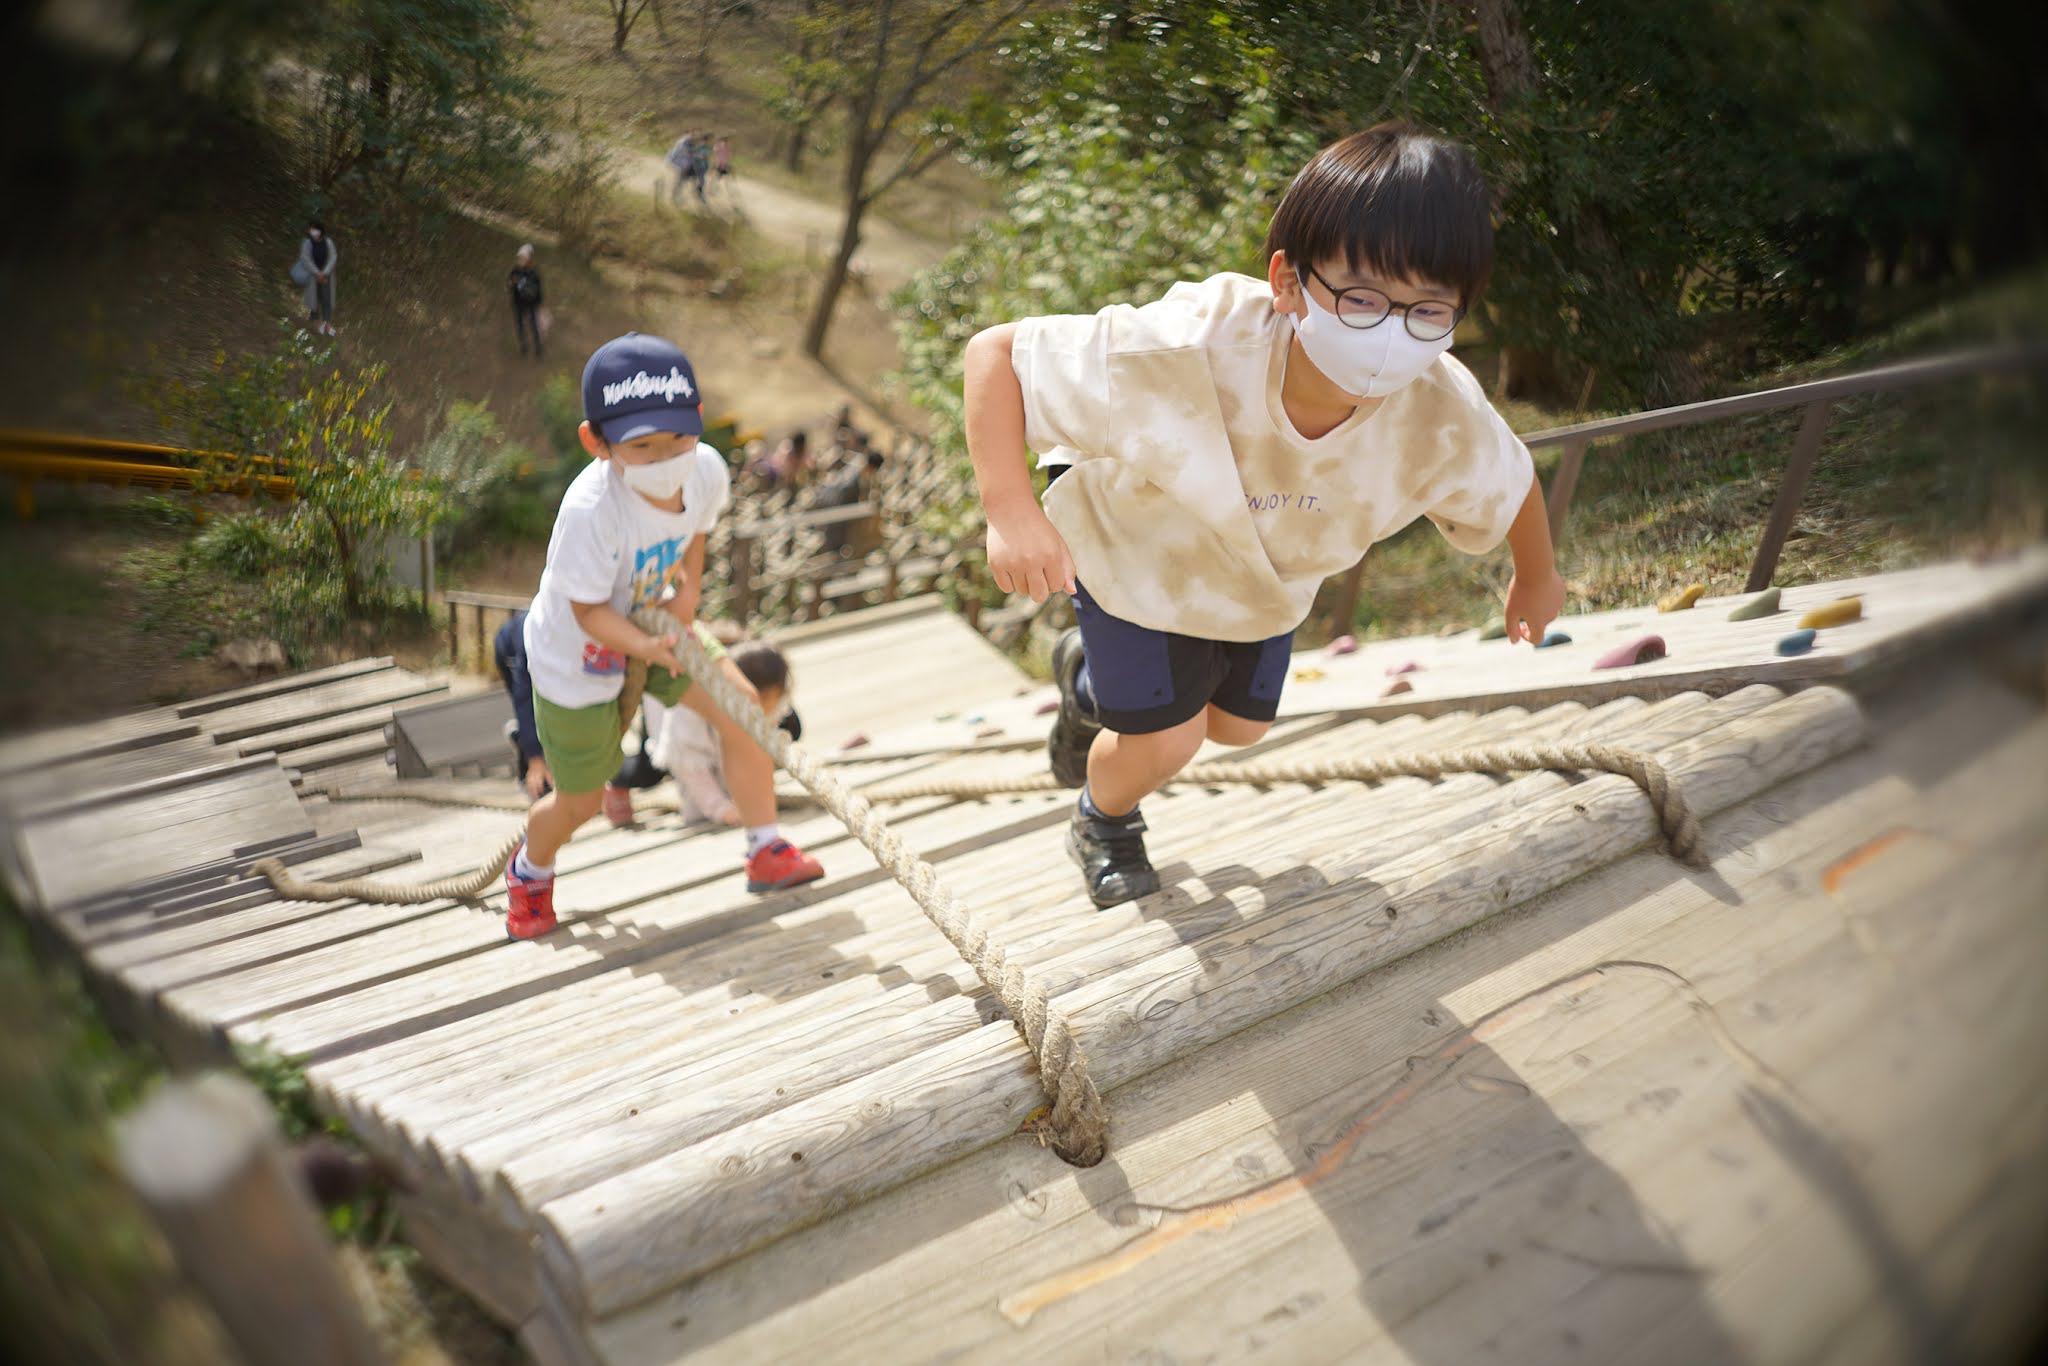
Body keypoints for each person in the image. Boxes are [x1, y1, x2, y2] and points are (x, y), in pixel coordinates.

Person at [963, 122, 1567, 909]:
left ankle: (1088, 682)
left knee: (1236, 730)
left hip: (1262, 577)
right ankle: (1103, 821)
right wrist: (1010, 510)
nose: (1390, 334)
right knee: (1165, 741)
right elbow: (998, 356)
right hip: (1137, 556)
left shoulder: (1438, 406)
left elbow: (1509, 475)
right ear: (1286, 281)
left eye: (1428, 311)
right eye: (1361, 299)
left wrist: (1536, 574)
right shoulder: (1190, 344)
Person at [504, 332, 826, 938]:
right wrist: (646, 646)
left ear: (698, 421)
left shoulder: (704, 471)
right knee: (582, 801)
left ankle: (764, 845)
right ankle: (530, 872)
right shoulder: (589, 510)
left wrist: (689, 597)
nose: (666, 456)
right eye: (643, 446)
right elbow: (588, 612)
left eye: (678, 438)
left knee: (744, 709)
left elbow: (694, 536)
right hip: (581, 656)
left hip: (660, 624)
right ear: (597, 443)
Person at [494, 609, 669, 815]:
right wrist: (535, 758)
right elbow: (523, 698)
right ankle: (527, 753)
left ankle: (538, 752)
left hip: (569, 656)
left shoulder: (590, 635)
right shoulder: (534, 644)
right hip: (511, 650)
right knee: (537, 712)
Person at [650, 641, 803, 825]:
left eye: (772, 700)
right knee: (691, 802)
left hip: (724, 746)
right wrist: (720, 809)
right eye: (761, 699)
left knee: (790, 727)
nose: (763, 707)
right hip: (672, 741)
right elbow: (689, 766)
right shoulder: (689, 712)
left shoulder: (771, 705)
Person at [297, 220, 337, 337]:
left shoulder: (328, 242)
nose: (313, 232)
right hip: (312, 274)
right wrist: (316, 273)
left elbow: (333, 257)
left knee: (326, 297)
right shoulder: (307, 243)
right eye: (311, 229)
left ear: (321, 231)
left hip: (326, 275)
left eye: (316, 229)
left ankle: (326, 322)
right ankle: (313, 319)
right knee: (313, 297)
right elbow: (305, 258)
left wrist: (324, 273)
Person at [509, 244, 544, 358]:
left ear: (529, 259)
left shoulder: (534, 273)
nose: (521, 260)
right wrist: (512, 284)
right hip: (518, 304)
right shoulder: (515, 271)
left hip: (531, 305)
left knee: (533, 325)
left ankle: (538, 347)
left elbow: (537, 291)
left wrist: (537, 302)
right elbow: (510, 285)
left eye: (524, 258)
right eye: (520, 257)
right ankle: (523, 345)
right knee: (520, 326)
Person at [667, 131, 696, 205]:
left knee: (682, 181)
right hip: (680, 163)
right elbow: (686, 152)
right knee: (680, 181)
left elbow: (689, 154)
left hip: (683, 164)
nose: (694, 136)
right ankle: (674, 197)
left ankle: (676, 196)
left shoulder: (686, 141)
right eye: (693, 134)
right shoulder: (685, 141)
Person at [690, 131, 712, 204]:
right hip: (698, 166)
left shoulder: (707, 147)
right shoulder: (700, 146)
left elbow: (706, 158)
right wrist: (700, 157)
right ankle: (698, 194)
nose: (709, 141)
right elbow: (693, 154)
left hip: (702, 166)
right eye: (708, 139)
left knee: (701, 181)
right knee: (700, 180)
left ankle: (698, 193)